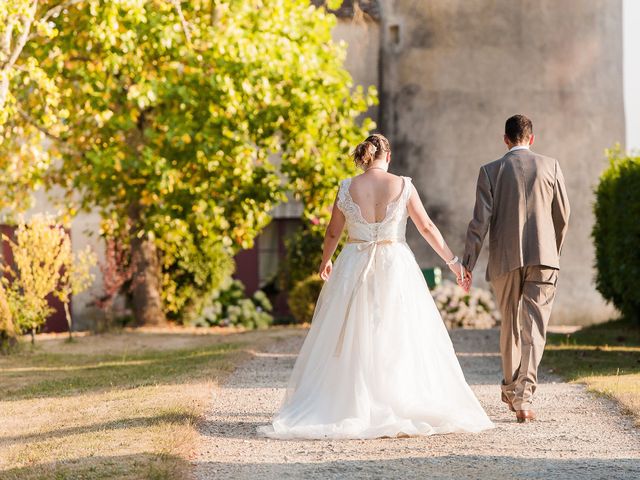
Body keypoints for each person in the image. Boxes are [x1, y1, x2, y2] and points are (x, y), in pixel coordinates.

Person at [258, 133, 494, 439]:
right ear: (389, 157)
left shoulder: (347, 186)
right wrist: (454, 263)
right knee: (398, 329)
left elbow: (332, 232)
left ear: (364, 157)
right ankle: (395, 397)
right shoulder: (403, 185)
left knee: (355, 330)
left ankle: (356, 400)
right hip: (394, 263)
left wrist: (326, 261)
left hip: (354, 262)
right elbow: (426, 227)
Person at [462, 114, 571, 423]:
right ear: (531, 139)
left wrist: (467, 263)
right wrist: (553, 250)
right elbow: (563, 216)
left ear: (505, 139)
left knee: (510, 324)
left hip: (504, 259)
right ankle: (524, 397)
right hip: (544, 258)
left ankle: (511, 390)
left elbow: (478, 224)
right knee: (535, 327)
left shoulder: (490, 171)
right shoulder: (551, 166)